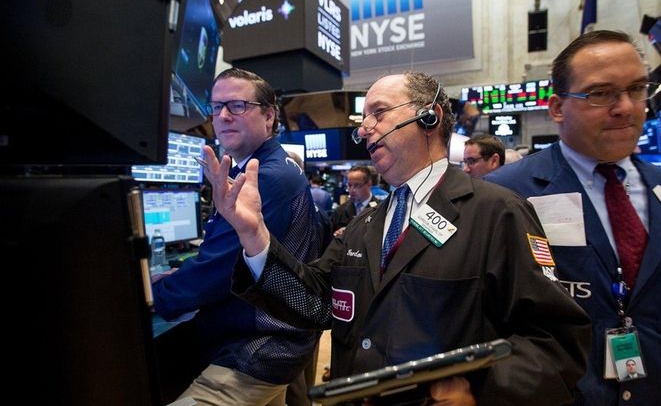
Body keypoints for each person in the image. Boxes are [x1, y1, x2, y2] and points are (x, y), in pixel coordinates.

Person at [202, 71, 592, 405]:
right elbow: (315, 302)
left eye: (379, 112)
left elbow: (556, 341)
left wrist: (480, 390)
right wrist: (254, 235)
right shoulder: (367, 223)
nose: (363, 128)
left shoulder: (496, 212)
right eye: (363, 117)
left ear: (429, 116)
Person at [485, 30, 661, 404]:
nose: (625, 107)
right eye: (600, 93)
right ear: (556, 107)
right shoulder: (504, 195)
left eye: (636, 89)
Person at [152, 68, 322, 406]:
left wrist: (150, 295)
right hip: (276, 342)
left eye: (238, 105)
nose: (224, 116)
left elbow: (217, 273)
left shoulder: (265, 178)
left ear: (269, 115)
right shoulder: (270, 166)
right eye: (217, 108)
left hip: (255, 349)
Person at [329, 164, 381, 237]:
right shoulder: (340, 211)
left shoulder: (380, 209)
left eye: (357, 185)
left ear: (369, 183)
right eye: (349, 185)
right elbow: (329, 238)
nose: (352, 190)